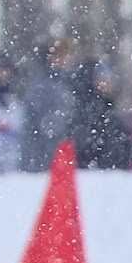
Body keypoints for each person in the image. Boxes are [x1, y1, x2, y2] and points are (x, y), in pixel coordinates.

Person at [19, 35, 80, 171]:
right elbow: (49, 127)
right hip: (43, 162)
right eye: (60, 55)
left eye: (67, 55)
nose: (65, 60)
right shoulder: (45, 86)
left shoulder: (65, 83)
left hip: (55, 159)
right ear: (49, 58)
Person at [69, 60, 132, 171]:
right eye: (103, 78)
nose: (108, 83)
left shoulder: (106, 106)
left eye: (109, 79)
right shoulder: (93, 110)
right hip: (96, 173)